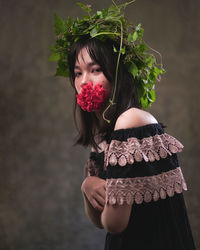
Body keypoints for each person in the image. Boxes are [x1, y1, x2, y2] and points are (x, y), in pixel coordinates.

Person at [50, 2, 196, 249]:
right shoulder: (102, 136)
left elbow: (114, 224)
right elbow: (98, 219)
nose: (84, 81)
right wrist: (88, 187)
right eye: (77, 73)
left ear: (118, 74)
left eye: (95, 70)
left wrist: (89, 185)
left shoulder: (131, 121)